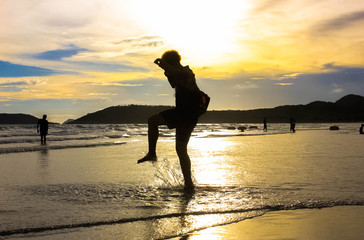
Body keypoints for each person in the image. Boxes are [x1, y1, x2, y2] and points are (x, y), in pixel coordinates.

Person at [138, 50, 206, 191]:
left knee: (154, 122)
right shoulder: (175, 72)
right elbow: (174, 82)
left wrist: (165, 66)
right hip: (184, 113)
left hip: (186, 114)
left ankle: (153, 154)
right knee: (180, 149)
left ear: (173, 62)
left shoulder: (187, 71)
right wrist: (166, 69)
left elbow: (180, 75)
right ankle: (189, 184)